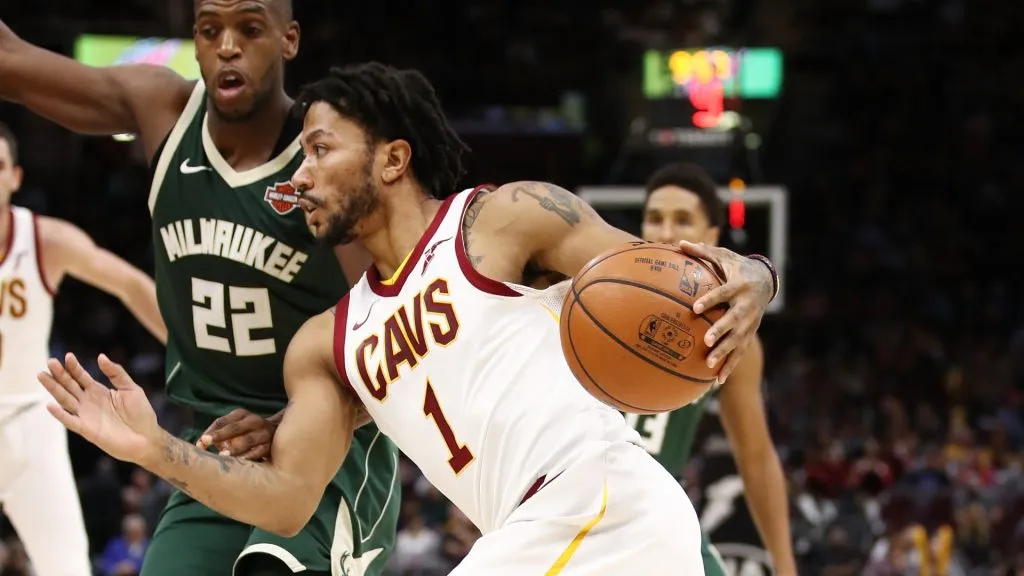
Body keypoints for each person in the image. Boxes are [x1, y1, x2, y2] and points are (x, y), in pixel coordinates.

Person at [37, 63, 780, 575]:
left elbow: (671, 279)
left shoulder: (504, 221)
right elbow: (290, 500)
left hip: (599, 500)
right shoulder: (326, 346)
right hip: (540, 536)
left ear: (392, 159)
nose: (298, 177)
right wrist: (154, 449)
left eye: (320, 149)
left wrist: (753, 274)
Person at [0, 2, 400, 575]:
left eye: (250, 29)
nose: (228, 46)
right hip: (212, 449)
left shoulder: (326, 158)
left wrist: (286, 424)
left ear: (289, 40)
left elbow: (392, 340)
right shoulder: (163, 110)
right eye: (211, 31)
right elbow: (11, 61)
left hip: (329, 453)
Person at [0, 122, 166, 576]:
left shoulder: (44, 240)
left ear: (15, 177)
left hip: (28, 422)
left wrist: (191, 351)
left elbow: (130, 284)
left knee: (68, 566)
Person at [633, 162, 796, 575]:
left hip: (656, 518)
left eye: (682, 220)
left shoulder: (730, 329)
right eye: (655, 218)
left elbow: (756, 456)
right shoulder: (595, 298)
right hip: (576, 503)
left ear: (711, 237)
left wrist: (785, 566)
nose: (666, 232)